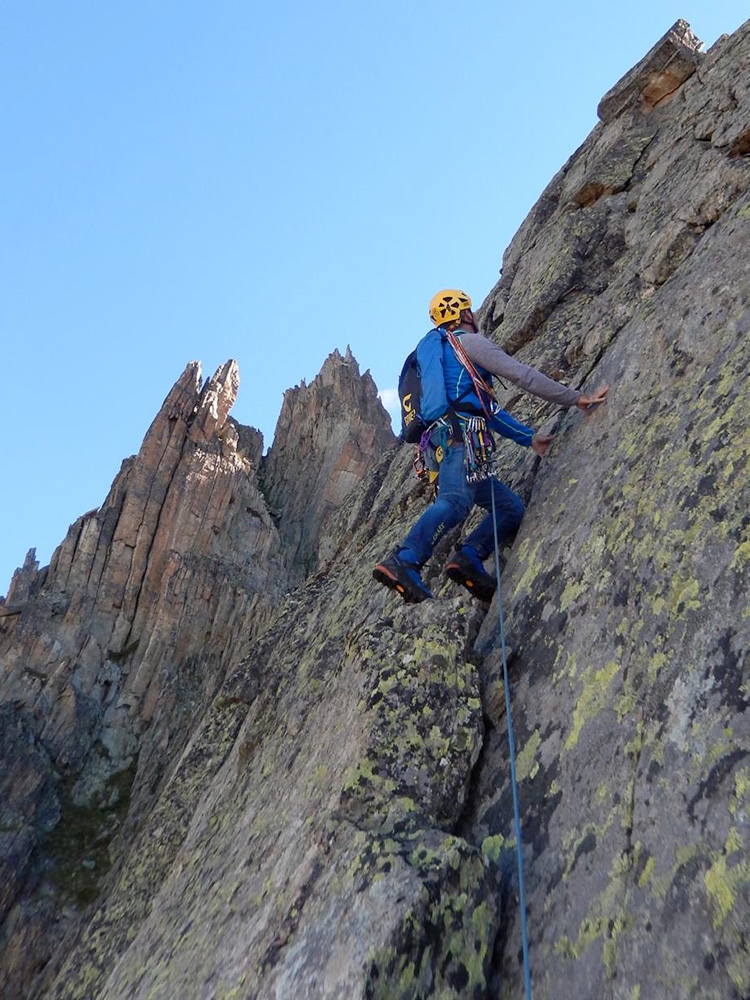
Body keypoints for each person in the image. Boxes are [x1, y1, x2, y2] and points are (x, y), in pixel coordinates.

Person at [373, 289, 609, 603]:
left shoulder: (444, 359)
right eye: (471, 310)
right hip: (462, 438)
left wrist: (528, 438)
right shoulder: (468, 343)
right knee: (455, 502)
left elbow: (486, 410)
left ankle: (469, 558)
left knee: (509, 508)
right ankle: (405, 559)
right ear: (465, 314)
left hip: (447, 441)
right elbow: (522, 375)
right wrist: (575, 397)